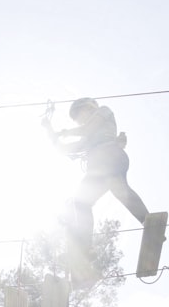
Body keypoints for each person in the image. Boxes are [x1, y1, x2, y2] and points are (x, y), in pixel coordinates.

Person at [42, 98, 150, 236]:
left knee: (116, 186)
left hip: (109, 155)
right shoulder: (86, 139)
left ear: (87, 108)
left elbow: (87, 129)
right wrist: (49, 129)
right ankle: (85, 248)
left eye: (78, 116)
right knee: (81, 202)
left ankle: (148, 220)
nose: (79, 121)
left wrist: (64, 132)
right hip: (98, 166)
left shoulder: (103, 111)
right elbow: (63, 149)